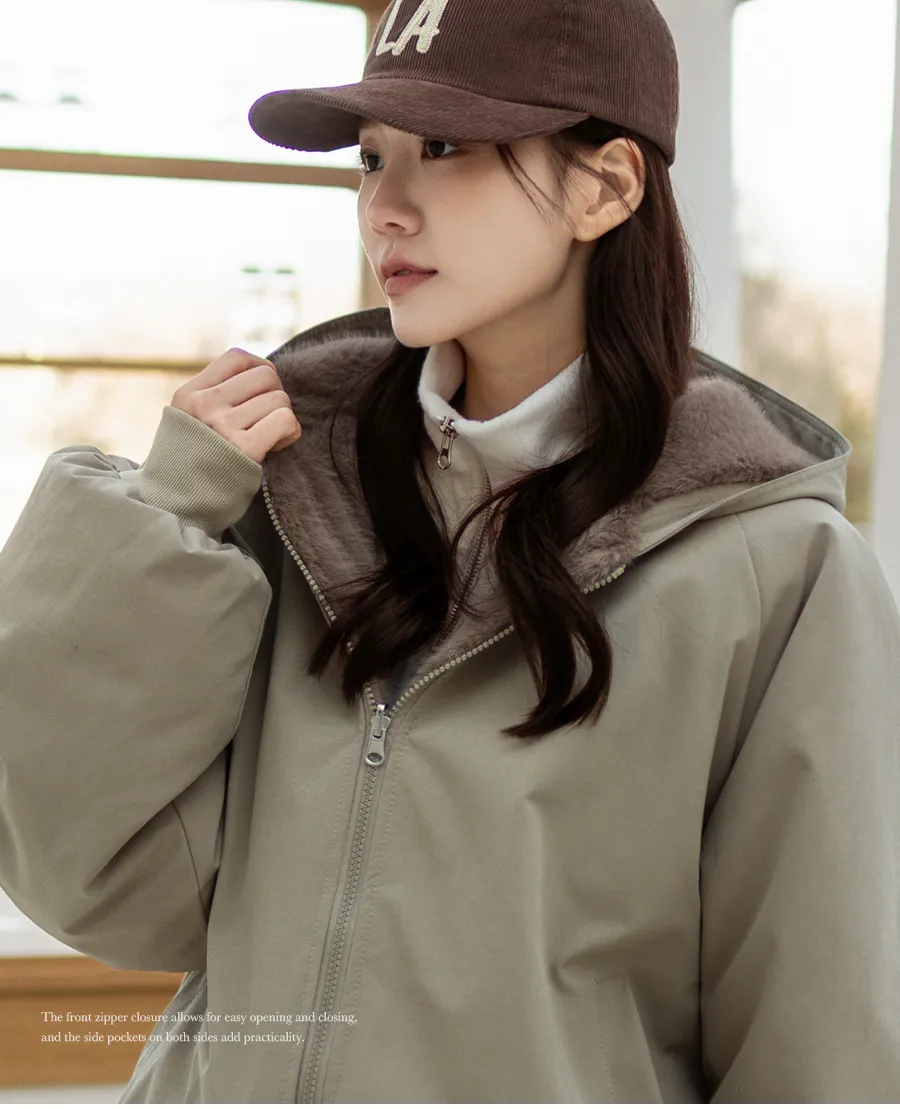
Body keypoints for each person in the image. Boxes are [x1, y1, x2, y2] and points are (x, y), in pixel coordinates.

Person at [0, 0, 898, 1102]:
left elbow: (820, 1048)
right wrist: (166, 519)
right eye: (370, 157)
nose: (385, 205)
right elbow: (90, 882)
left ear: (606, 185)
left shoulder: (780, 574)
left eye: (445, 146)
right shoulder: (286, 500)